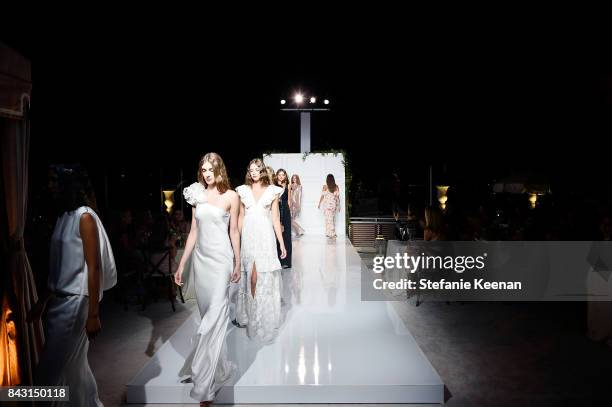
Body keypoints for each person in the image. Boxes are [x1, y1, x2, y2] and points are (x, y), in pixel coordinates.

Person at [28, 164, 116, 406]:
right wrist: (42, 301)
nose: (50, 185)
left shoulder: (84, 216)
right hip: (59, 301)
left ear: (69, 184)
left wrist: (94, 315)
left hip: (76, 303)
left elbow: (94, 267)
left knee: (46, 374)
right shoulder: (63, 216)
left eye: (55, 180)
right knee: (76, 370)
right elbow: (59, 267)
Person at [174, 152, 241, 406]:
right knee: (207, 317)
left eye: (211, 168)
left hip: (221, 260)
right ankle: (217, 367)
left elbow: (234, 231)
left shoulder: (231, 197)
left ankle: (204, 388)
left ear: (219, 169)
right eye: (203, 169)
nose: (206, 173)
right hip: (201, 263)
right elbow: (193, 232)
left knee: (215, 318)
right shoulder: (196, 195)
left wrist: (237, 261)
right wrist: (182, 264)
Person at [235, 158, 286, 342]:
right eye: (251, 169)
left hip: (265, 238)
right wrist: (238, 242)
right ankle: (250, 316)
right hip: (249, 238)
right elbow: (240, 217)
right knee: (251, 277)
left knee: (262, 277)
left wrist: (281, 243)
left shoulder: (272, 191)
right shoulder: (243, 191)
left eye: (257, 169)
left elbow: (275, 219)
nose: (254, 172)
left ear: (262, 170)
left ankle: (262, 316)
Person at [275, 168, 292, 268]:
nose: (281, 176)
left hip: (285, 211)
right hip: (276, 210)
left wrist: (289, 213)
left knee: (286, 236)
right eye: (279, 175)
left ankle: (286, 262)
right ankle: (278, 261)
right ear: (277, 176)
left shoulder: (288, 186)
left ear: (285, 176)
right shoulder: (274, 186)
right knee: (277, 235)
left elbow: (289, 201)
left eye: (283, 175)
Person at [318, 174, 341, 238]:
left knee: (329, 219)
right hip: (333, 205)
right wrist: (339, 206)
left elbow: (322, 196)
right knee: (331, 219)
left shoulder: (325, 186)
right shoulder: (336, 186)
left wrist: (319, 204)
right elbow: (337, 197)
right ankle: (329, 233)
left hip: (327, 205)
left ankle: (332, 234)